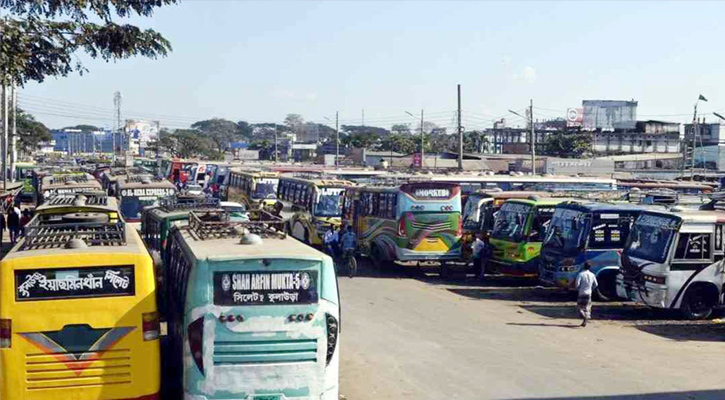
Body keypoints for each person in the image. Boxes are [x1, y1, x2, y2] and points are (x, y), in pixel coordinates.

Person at [575, 262, 598, 327]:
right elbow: (596, 284)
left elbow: (577, 284)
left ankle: (584, 316)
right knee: (587, 307)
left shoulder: (580, 274)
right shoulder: (592, 275)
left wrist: (578, 289)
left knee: (580, 307)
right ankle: (586, 318)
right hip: (589, 293)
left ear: (583, 267)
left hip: (581, 293)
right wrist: (591, 289)